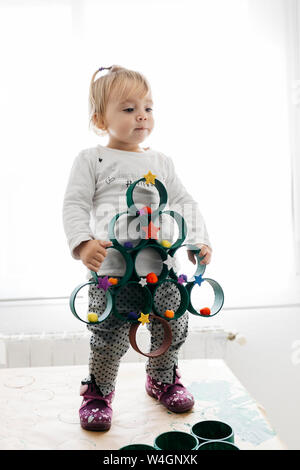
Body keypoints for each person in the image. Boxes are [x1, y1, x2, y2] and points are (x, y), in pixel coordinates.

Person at [63, 65, 212, 431]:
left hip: (162, 270)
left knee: (172, 327)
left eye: (148, 107)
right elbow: (75, 205)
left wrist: (199, 239)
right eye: (129, 109)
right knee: (108, 335)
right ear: (101, 119)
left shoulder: (160, 162)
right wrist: (83, 244)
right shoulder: (92, 159)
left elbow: (183, 201)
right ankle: (98, 392)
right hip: (112, 273)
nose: (142, 115)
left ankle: (162, 378)